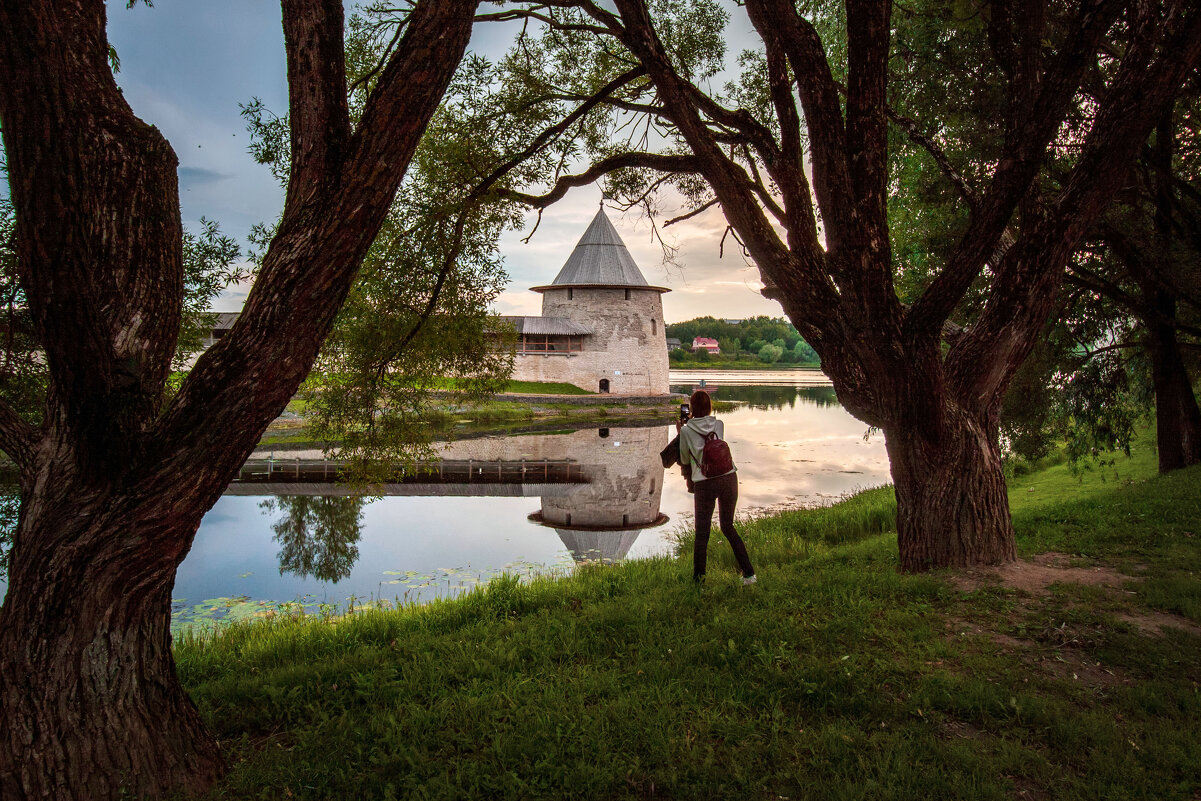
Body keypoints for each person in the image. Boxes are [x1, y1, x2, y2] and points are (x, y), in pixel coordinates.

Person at [676, 389, 756, 585]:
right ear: (710, 406)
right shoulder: (719, 424)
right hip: (729, 477)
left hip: (704, 483)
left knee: (702, 534)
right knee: (728, 527)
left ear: (692, 408)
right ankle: (749, 574)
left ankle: (699, 583)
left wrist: (681, 432)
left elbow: (685, 459)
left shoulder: (686, 430)